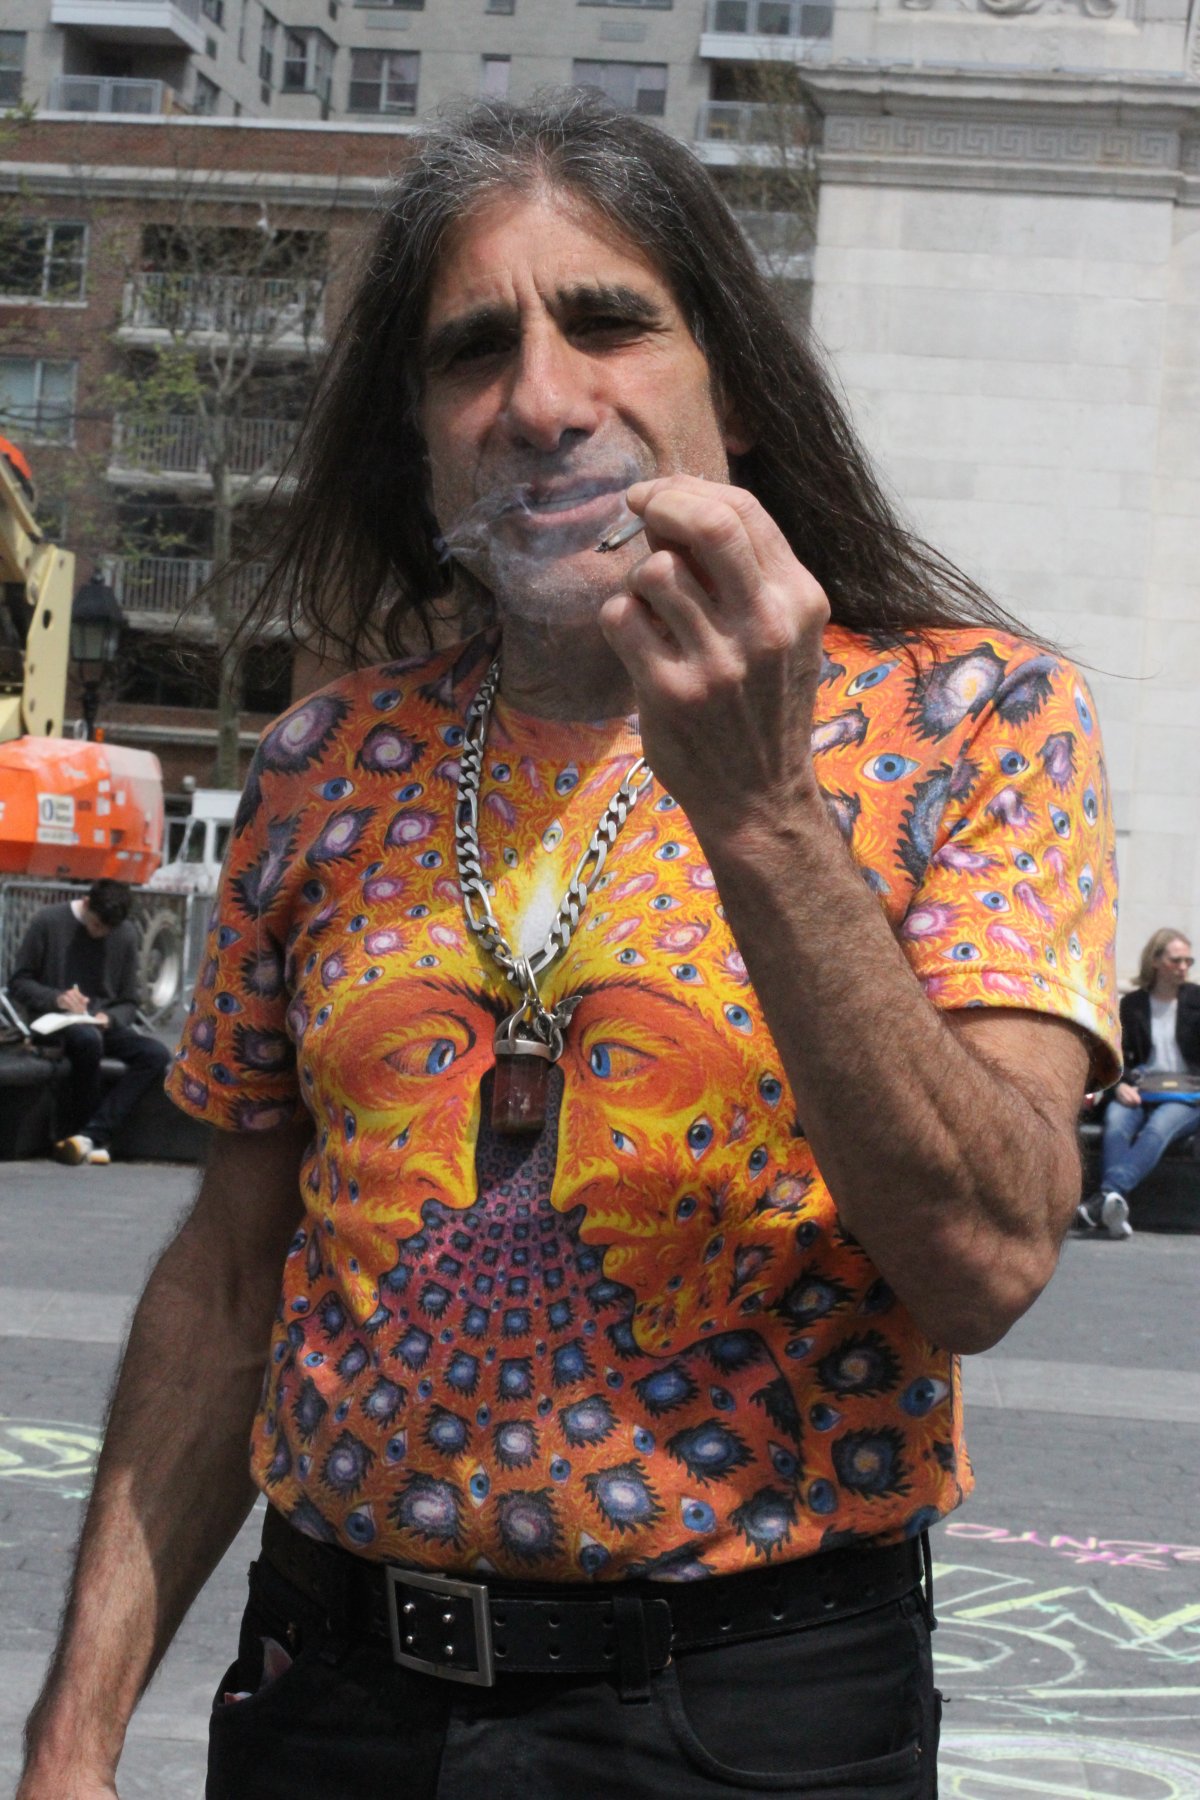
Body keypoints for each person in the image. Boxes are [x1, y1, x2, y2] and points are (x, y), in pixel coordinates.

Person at [18, 95, 1120, 1800]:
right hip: (333, 1703)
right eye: (475, 354)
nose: (542, 402)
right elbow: (231, 1282)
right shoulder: (328, 765)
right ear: (425, 446)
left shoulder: (972, 719)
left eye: (609, 322)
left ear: (734, 388)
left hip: (741, 1715)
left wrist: (762, 817)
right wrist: (74, 1741)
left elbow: (985, 1262)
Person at [6, 878, 170, 1166]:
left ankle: (91, 1134)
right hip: (53, 1022)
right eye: (95, 925)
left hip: (99, 1023)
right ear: (85, 905)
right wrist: (57, 998)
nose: (99, 934)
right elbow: (19, 983)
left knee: (155, 1054)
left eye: (107, 930)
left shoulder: (125, 934)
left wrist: (111, 1018)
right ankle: (89, 1132)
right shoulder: (48, 921)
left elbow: (130, 1001)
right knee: (86, 1039)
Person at [1077, 929, 1199, 1240]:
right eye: (1176, 960)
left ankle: (1106, 1196)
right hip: (1141, 1088)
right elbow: (1119, 1056)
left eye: (1188, 960)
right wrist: (1118, 1086)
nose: (1183, 967)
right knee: (1117, 1122)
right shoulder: (1133, 1004)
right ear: (1156, 961)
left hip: (1187, 1096)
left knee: (1158, 1128)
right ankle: (1112, 1206)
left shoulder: (1196, 1000)